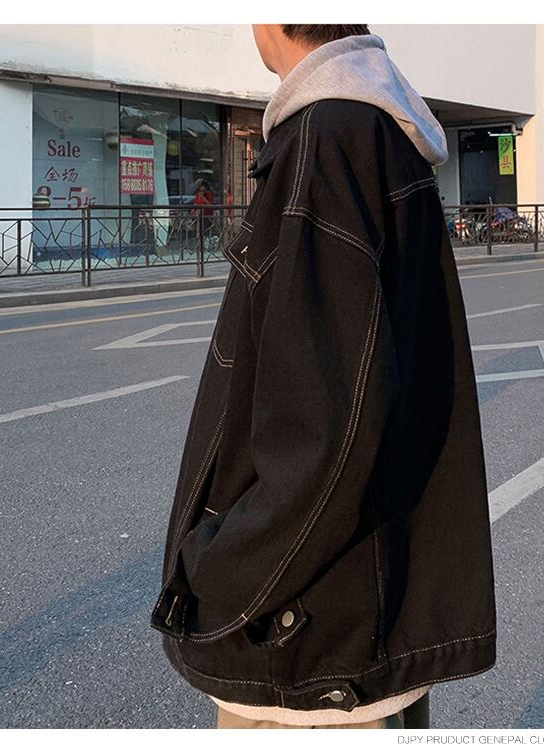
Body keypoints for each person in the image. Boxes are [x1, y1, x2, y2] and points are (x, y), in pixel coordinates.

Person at [150, 25, 497, 730]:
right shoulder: (375, 130)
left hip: (305, 642)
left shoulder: (326, 138)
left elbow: (326, 427)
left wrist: (219, 573)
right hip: (360, 603)